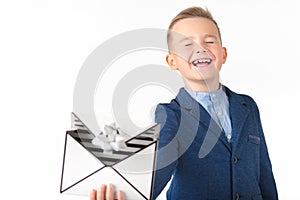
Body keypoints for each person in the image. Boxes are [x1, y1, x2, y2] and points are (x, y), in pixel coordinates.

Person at [90, 6, 278, 200]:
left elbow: (264, 172)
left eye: (209, 41)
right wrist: (127, 194)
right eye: (187, 44)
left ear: (223, 54)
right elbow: (158, 170)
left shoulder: (247, 106)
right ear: (172, 62)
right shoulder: (171, 114)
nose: (200, 48)